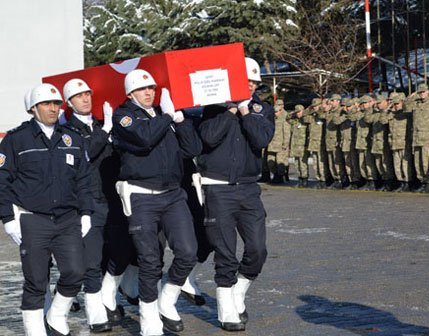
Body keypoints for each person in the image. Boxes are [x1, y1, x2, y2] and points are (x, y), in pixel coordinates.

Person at [111, 69, 202, 335]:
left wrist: (181, 119)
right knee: (150, 260)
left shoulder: (167, 116)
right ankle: (149, 318)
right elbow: (144, 138)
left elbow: (192, 150)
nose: (149, 92)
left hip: (173, 195)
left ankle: (167, 300)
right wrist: (166, 116)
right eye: (142, 89)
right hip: (141, 195)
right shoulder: (124, 115)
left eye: (151, 88)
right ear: (131, 94)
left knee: (188, 251)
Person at [1, 83, 93, 335]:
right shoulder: (16, 139)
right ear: (33, 108)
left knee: (76, 272)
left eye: (56, 104)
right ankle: (35, 331)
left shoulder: (71, 138)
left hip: (67, 219)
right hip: (32, 220)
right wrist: (8, 217)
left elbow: (84, 179)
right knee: (36, 281)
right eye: (46, 104)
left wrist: (86, 212)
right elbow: (2, 180)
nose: (53, 108)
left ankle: (56, 316)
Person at [195, 57, 274, 331]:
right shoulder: (213, 109)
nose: (250, 86)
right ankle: (225, 308)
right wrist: (229, 110)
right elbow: (208, 139)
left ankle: (238, 290)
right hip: (217, 188)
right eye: (246, 81)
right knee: (225, 252)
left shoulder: (262, 109)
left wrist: (245, 112)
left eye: (254, 82)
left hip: (249, 188)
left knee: (257, 249)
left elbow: (261, 139)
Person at [61, 78, 113, 333]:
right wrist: (106, 130)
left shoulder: (102, 124)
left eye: (88, 94)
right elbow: (87, 152)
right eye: (79, 96)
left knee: (119, 253)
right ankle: (96, 313)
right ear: (70, 102)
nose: (86, 99)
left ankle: (108, 297)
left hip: (112, 198)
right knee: (91, 260)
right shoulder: (68, 131)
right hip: (88, 202)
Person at [266, 99, 291, 184]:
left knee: (280, 162)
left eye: (276, 111)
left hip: (280, 144)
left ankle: (280, 177)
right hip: (272, 144)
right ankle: (275, 175)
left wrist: (285, 144)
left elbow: (287, 132)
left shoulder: (285, 117)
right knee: (270, 162)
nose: (275, 113)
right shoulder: (272, 118)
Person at [288, 104, 310, 187]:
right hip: (295, 145)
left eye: (299, 112)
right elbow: (287, 118)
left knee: (303, 163)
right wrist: (292, 113)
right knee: (296, 163)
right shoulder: (295, 121)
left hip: (303, 145)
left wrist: (307, 145)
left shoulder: (306, 121)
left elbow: (309, 133)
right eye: (297, 112)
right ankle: (300, 178)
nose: (298, 114)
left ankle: (305, 179)